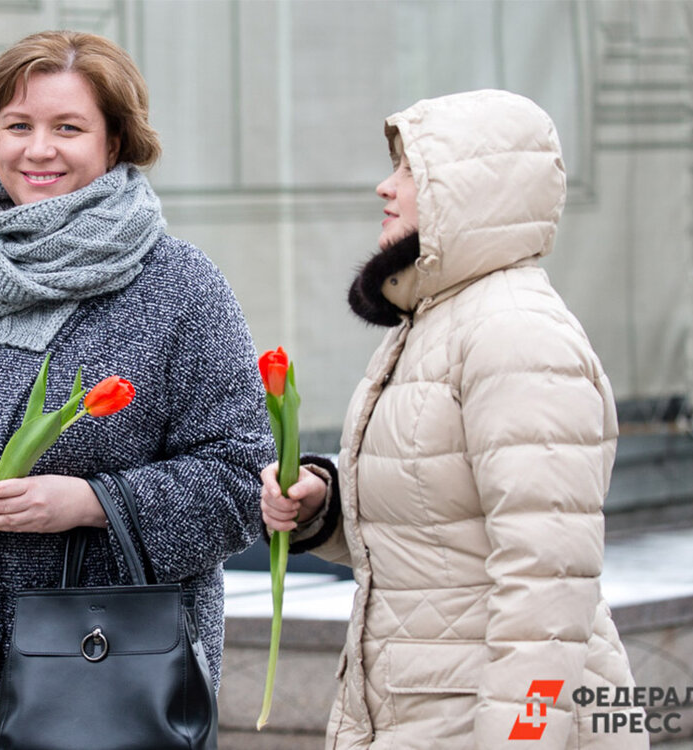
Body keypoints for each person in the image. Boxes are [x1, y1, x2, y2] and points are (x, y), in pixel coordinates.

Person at [0, 30, 270, 749]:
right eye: (19, 127)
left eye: (67, 128)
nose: (38, 150)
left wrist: (95, 503)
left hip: (113, 684)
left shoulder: (180, 288)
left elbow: (240, 479)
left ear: (115, 143)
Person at [261, 90, 647, 748]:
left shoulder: (516, 335)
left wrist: (521, 739)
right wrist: (323, 504)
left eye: (411, 170)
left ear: (473, 188)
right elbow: (436, 537)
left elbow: (545, 589)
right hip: (422, 708)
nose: (386, 188)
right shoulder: (437, 325)